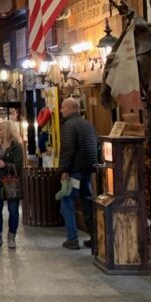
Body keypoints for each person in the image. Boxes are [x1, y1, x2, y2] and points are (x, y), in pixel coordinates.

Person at [58, 96, 98, 250]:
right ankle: (94, 238)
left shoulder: (69, 125)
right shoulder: (88, 125)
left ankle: (72, 238)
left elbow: (68, 150)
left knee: (66, 202)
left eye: (63, 107)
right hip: (88, 170)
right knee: (87, 203)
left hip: (74, 172)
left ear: (71, 108)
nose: (61, 110)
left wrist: (64, 170)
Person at [0, 119, 25, 249]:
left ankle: (11, 237)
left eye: (0, 129)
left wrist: (5, 165)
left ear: (7, 131)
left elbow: (19, 166)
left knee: (13, 211)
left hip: (12, 183)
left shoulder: (17, 147)